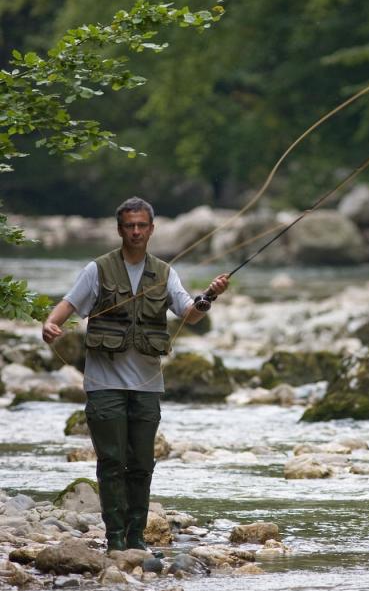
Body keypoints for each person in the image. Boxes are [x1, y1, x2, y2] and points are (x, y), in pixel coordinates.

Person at [42, 197, 229, 553]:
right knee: (112, 462)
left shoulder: (165, 272)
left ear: (152, 229)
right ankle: (115, 539)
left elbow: (189, 313)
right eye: (130, 225)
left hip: (146, 386)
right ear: (120, 229)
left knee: (141, 464)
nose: (136, 231)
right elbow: (66, 306)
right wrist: (50, 323)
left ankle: (136, 538)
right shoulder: (97, 270)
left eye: (142, 225)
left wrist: (210, 297)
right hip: (104, 384)